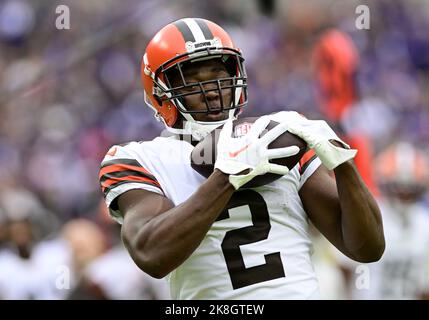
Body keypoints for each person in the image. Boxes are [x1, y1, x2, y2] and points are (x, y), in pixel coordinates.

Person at [98, 18, 385, 299]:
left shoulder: (275, 136)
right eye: (192, 80)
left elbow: (367, 248)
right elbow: (151, 255)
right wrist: (226, 178)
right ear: (160, 92)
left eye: (219, 76)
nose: (211, 90)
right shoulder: (138, 159)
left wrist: (343, 164)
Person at [338, 142, 429, 299]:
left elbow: (423, 287)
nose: (404, 196)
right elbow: (344, 269)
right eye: (398, 189)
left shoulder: (424, 223)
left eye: (410, 191)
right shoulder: (369, 215)